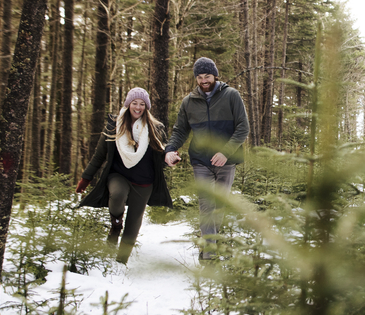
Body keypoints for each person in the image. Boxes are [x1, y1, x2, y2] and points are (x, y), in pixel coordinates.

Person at [164, 57, 250, 260]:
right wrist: (170, 149)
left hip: (226, 162)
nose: (204, 80)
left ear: (215, 76)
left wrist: (225, 152)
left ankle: (209, 245)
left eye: (207, 76)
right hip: (201, 161)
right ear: (196, 78)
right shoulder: (189, 102)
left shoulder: (231, 95)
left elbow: (242, 128)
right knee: (206, 205)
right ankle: (210, 256)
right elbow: (180, 131)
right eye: (200, 77)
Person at [76, 88, 173, 264]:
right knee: (117, 194)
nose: (138, 107)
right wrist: (86, 178)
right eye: (134, 103)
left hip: (144, 181)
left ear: (146, 107)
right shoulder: (114, 125)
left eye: (142, 104)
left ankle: (121, 261)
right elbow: (99, 155)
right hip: (119, 175)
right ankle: (115, 223)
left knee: (134, 224)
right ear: (128, 104)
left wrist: (170, 159)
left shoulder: (155, 128)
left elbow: (162, 154)